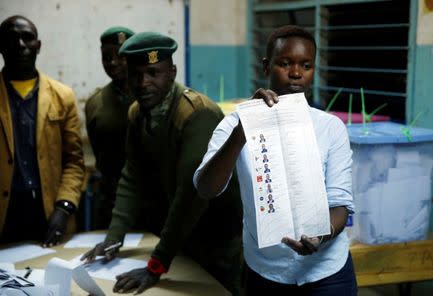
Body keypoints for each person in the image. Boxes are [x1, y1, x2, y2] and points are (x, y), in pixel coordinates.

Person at [194, 25, 357, 295]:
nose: (296, 73)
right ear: (267, 67)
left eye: (306, 65)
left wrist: (322, 234)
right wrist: (242, 133)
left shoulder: (330, 127)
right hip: (267, 271)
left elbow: (340, 202)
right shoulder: (234, 124)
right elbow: (206, 188)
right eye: (285, 63)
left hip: (327, 271)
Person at [81, 32, 243, 295]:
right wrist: (113, 239)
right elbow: (132, 176)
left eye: (153, 73)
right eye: (136, 74)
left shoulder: (195, 114)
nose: (143, 83)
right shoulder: (138, 112)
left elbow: (191, 196)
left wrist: (157, 264)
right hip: (183, 238)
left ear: (172, 72)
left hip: (217, 238)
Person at [0, 15, 85, 246]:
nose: (20, 45)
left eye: (27, 38)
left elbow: (74, 161)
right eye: (11, 39)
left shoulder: (62, 96)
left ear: (38, 45)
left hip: (50, 213)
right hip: (4, 216)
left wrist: (64, 206)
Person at [85, 26, 135, 229]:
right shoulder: (95, 103)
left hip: (153, 204)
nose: (113, 63)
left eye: (120, 56)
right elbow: (100, 154)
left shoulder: (152, 96)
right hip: (110, 203)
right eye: (106, 57)